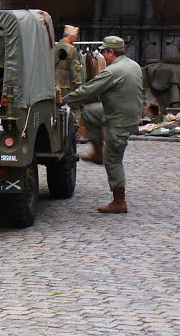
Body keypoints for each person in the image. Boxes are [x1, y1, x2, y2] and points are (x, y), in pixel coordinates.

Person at [62, 35, 143, 214]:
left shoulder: (113, 71)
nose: (102, 56)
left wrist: (65, 100)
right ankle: (97, 152)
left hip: (121, 120)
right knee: (91, 112)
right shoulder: (133, 65)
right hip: (126, 113)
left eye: (104, 52)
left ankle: (119, 201)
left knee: (113, 158)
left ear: (110, 52)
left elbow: (90, 89)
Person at [54, 24, 85, 130]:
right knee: (75, 106)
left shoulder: (56, 47)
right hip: (67, 85)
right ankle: (74, 132)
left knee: (57, 108)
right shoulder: (71, 49)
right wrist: (78, 86)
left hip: (55, 84)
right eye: (75, 37)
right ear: (71, 36)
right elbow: (74, 70)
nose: (75, 39)